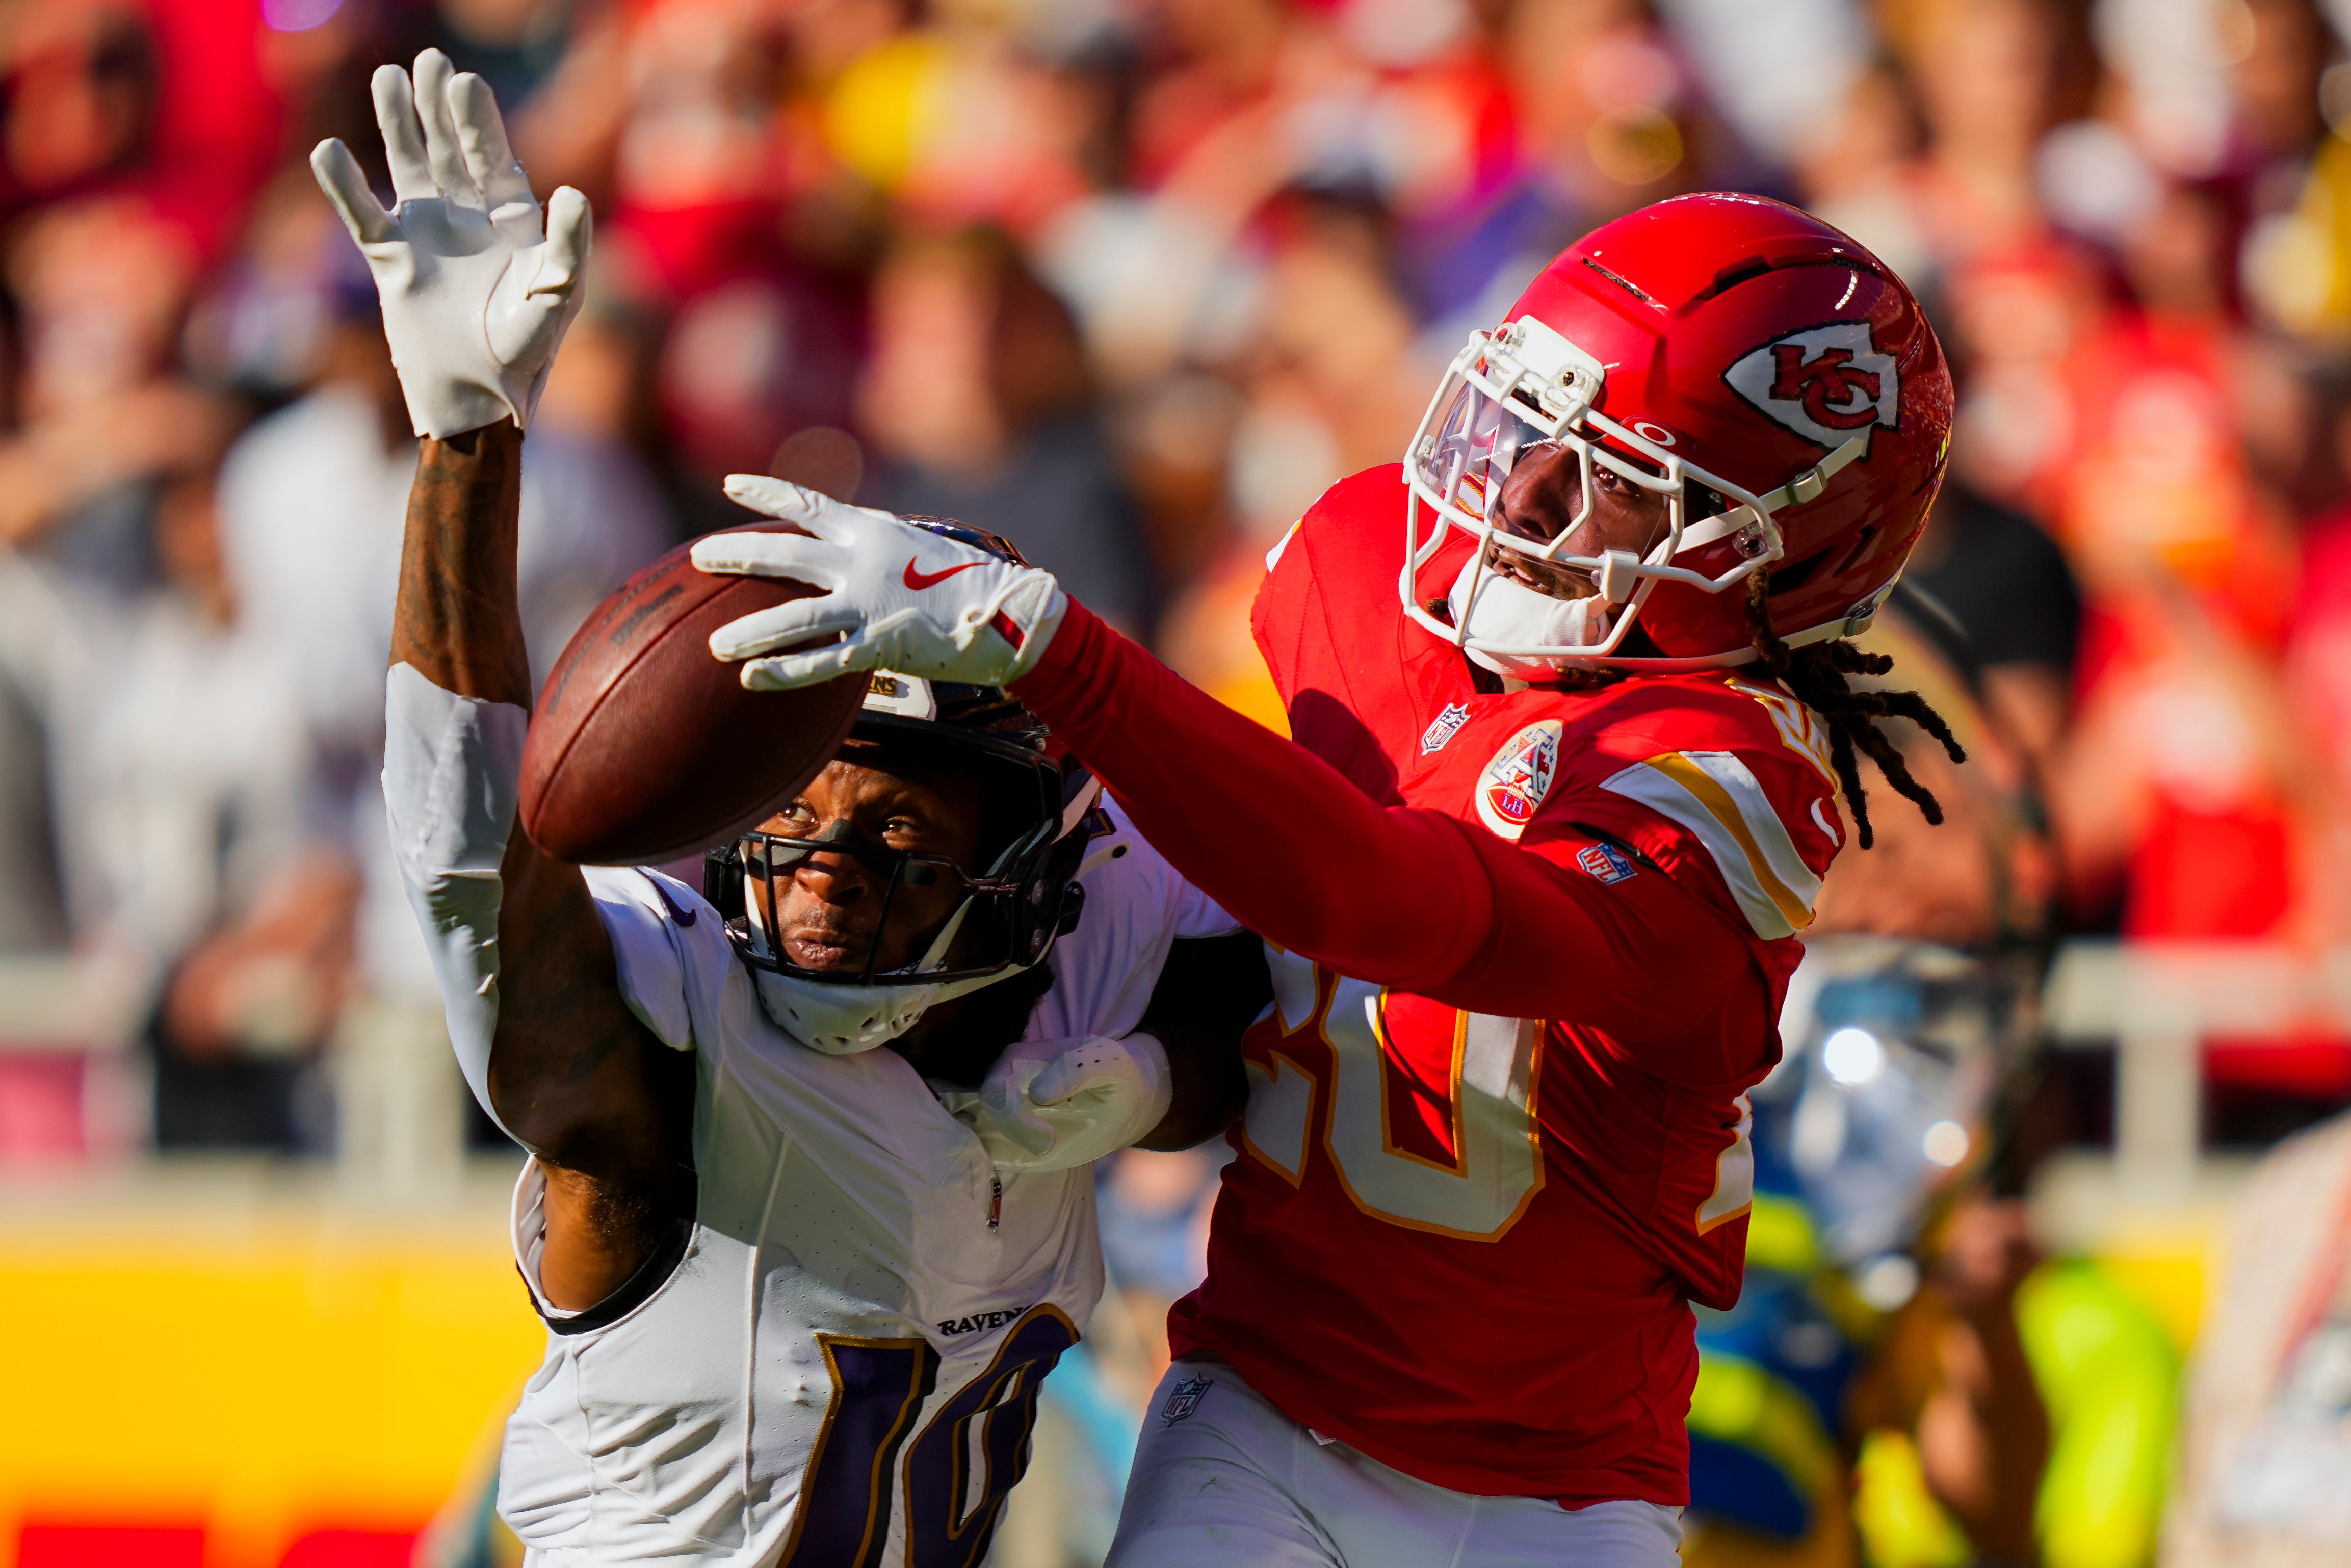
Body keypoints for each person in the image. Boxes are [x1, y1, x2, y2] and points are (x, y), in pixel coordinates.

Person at [693, 193, 1969, 1564]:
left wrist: (1055, 647)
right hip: (1261, 1412)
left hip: (1562, 1491)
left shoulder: (1733, 785)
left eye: (1603, 479)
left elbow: (1394, 907)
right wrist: (1156, 1061)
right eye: (1524, 431)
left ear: (1764, 559)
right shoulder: (1365, 561)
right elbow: (1258, 888)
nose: (1511, 495)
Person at [314, 53, 1266, 1563]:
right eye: (795, 811)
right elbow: (468, 858)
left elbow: (1265, 977)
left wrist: (1156, 1076)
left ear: (1032, 852)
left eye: (892, 835)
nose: (820, 878)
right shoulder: (678, 1049)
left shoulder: (1093, 938)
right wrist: (469, 441)